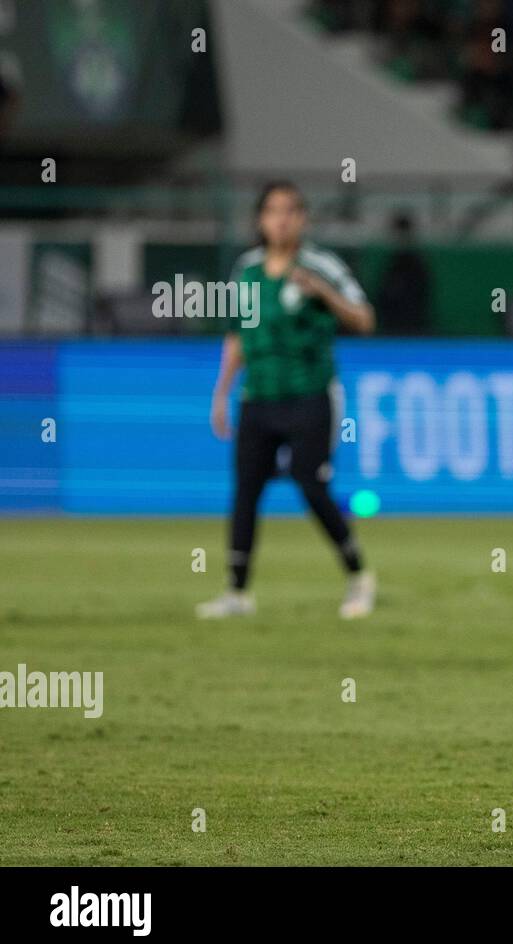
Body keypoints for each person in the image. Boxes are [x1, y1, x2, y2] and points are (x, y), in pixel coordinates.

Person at [197, 181, 378, 621]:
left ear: (303, 219)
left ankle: (358, 575)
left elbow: (364, 319)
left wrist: (324, 294)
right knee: (246, 489)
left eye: (291, 211)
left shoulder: (321, 266)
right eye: (273, 211)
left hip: (310, 394)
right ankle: (237, 593)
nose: (282, 219)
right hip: (259, 395)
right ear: (260, 220)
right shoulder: (247, 271)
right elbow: (238, 334)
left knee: (309, 481)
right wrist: (222, 393)